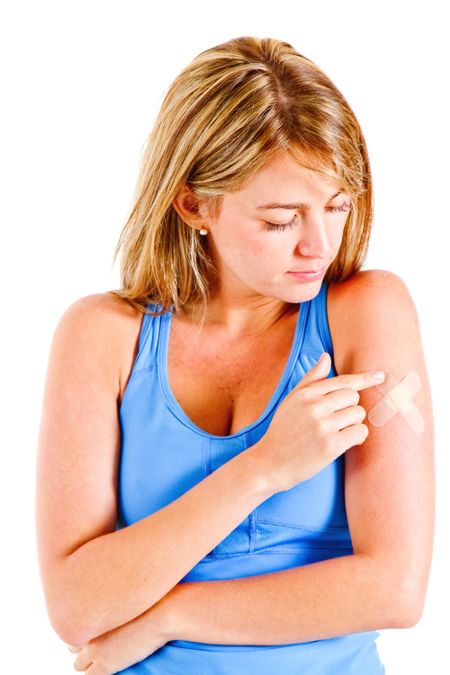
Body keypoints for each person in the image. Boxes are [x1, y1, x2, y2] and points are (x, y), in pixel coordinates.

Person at [35, 36, 434, 674]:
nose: (320, 244)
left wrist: (167, 615)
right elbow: (77, 608)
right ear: (194, 204)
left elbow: (395, 590)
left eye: (336, 206)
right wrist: (265, 467)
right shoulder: (103, 336)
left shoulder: (366, 313)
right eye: (281, 220)